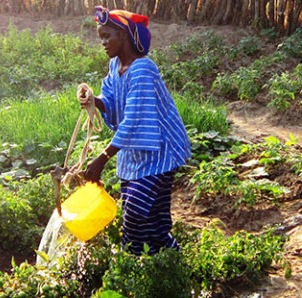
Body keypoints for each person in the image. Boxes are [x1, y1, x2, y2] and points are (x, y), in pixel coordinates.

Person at [77, 6, 192, 255]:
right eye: (101, 38)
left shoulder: (142, 69)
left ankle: (138, 260)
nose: (104, 43)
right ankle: (166, 262)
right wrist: (93, 100)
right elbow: (111, 101)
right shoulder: (115, 68)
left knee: (136, 212)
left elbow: (133, 121)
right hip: (137, 154)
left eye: (108, 36)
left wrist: (102, 158)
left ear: (125, 36)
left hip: (160, 153)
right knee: (152, 218)